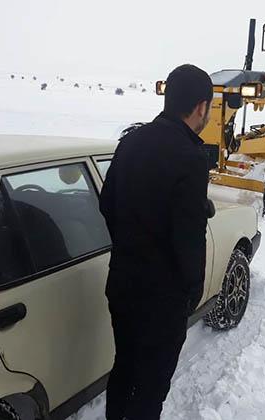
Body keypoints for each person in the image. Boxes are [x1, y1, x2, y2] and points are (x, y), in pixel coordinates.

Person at [99, 64, 213, 420]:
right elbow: (188, 235)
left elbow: (107, 203)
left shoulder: (130, 141)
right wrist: (192, 289)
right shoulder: (191, 157)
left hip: (121, 284)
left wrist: (129, 245)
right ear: (201, 107)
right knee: (150, 389)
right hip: (162, 300)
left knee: (124, 366)